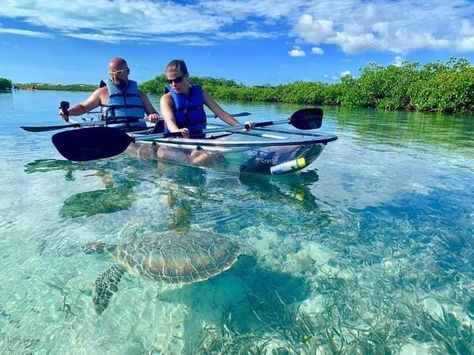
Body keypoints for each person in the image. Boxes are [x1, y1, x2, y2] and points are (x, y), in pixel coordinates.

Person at [159, 59, 254, 164]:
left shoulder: (201, 93)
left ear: (186, 77)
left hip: (198, 141)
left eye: (177, 80)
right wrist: (178, 132)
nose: (173, 84)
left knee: (224, 144)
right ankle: (197, 160)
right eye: (169, 81)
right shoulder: (166, 99)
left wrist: (241, 126)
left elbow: (221, 113)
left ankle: (200, 159)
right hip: (175, 142)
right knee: (162, 153)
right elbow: (169, 121)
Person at [59, 57, 160, 131]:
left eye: (119, 72)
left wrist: (153, 116)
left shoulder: (140, 94)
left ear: (128, 71)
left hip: (139, 133)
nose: (115, 76)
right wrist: (68, 112)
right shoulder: (102, 92)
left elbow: (153, 113)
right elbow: (83, 107)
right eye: (112, 73)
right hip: (113, 134)